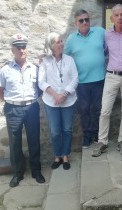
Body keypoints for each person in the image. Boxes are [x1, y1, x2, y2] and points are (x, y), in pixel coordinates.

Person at [0, 33, 45, 187]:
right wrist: (12, 102)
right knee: (15, 141)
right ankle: (18, 173)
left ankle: (36, 170)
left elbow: (41, 89)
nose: (21, 50)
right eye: (18, 47)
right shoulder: (5, 70)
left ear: (26, 49)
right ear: (12, 49)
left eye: (23, 47)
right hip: (13, 109)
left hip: (31, 107)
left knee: (34, 139)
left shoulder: (35, 69)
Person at [92, 4, 122, 157]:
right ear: (111, 18)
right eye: (116, 15)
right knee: (105, 110)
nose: (120, 17)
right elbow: (100, 49)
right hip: (111, 76)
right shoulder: (106, 35)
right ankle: (102, 141)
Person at [64, 9, 106, 148]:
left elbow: (112, 41)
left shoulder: (100, 32)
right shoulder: (71, 39)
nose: (85, 22)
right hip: (81, 82)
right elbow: (63, 56)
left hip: (100, 79)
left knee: (99, 109)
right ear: (76, 23)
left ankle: (98, 135)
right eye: (81, 20)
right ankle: (87, 136)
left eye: (86, 19)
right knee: (85, 110)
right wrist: (46, 59)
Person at [39, 32, 78, 170]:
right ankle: (57, 156)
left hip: (68, 101)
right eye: (57, 42)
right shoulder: (45, 61)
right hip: (51, 102)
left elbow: (75, 79)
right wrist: (55, 95)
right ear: (51, 46)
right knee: (55, 131)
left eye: (61, 41)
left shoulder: (69, 60)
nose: (61, 44)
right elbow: (41, 82)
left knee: (67, 129)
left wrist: (64, 94)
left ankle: (66, 156)